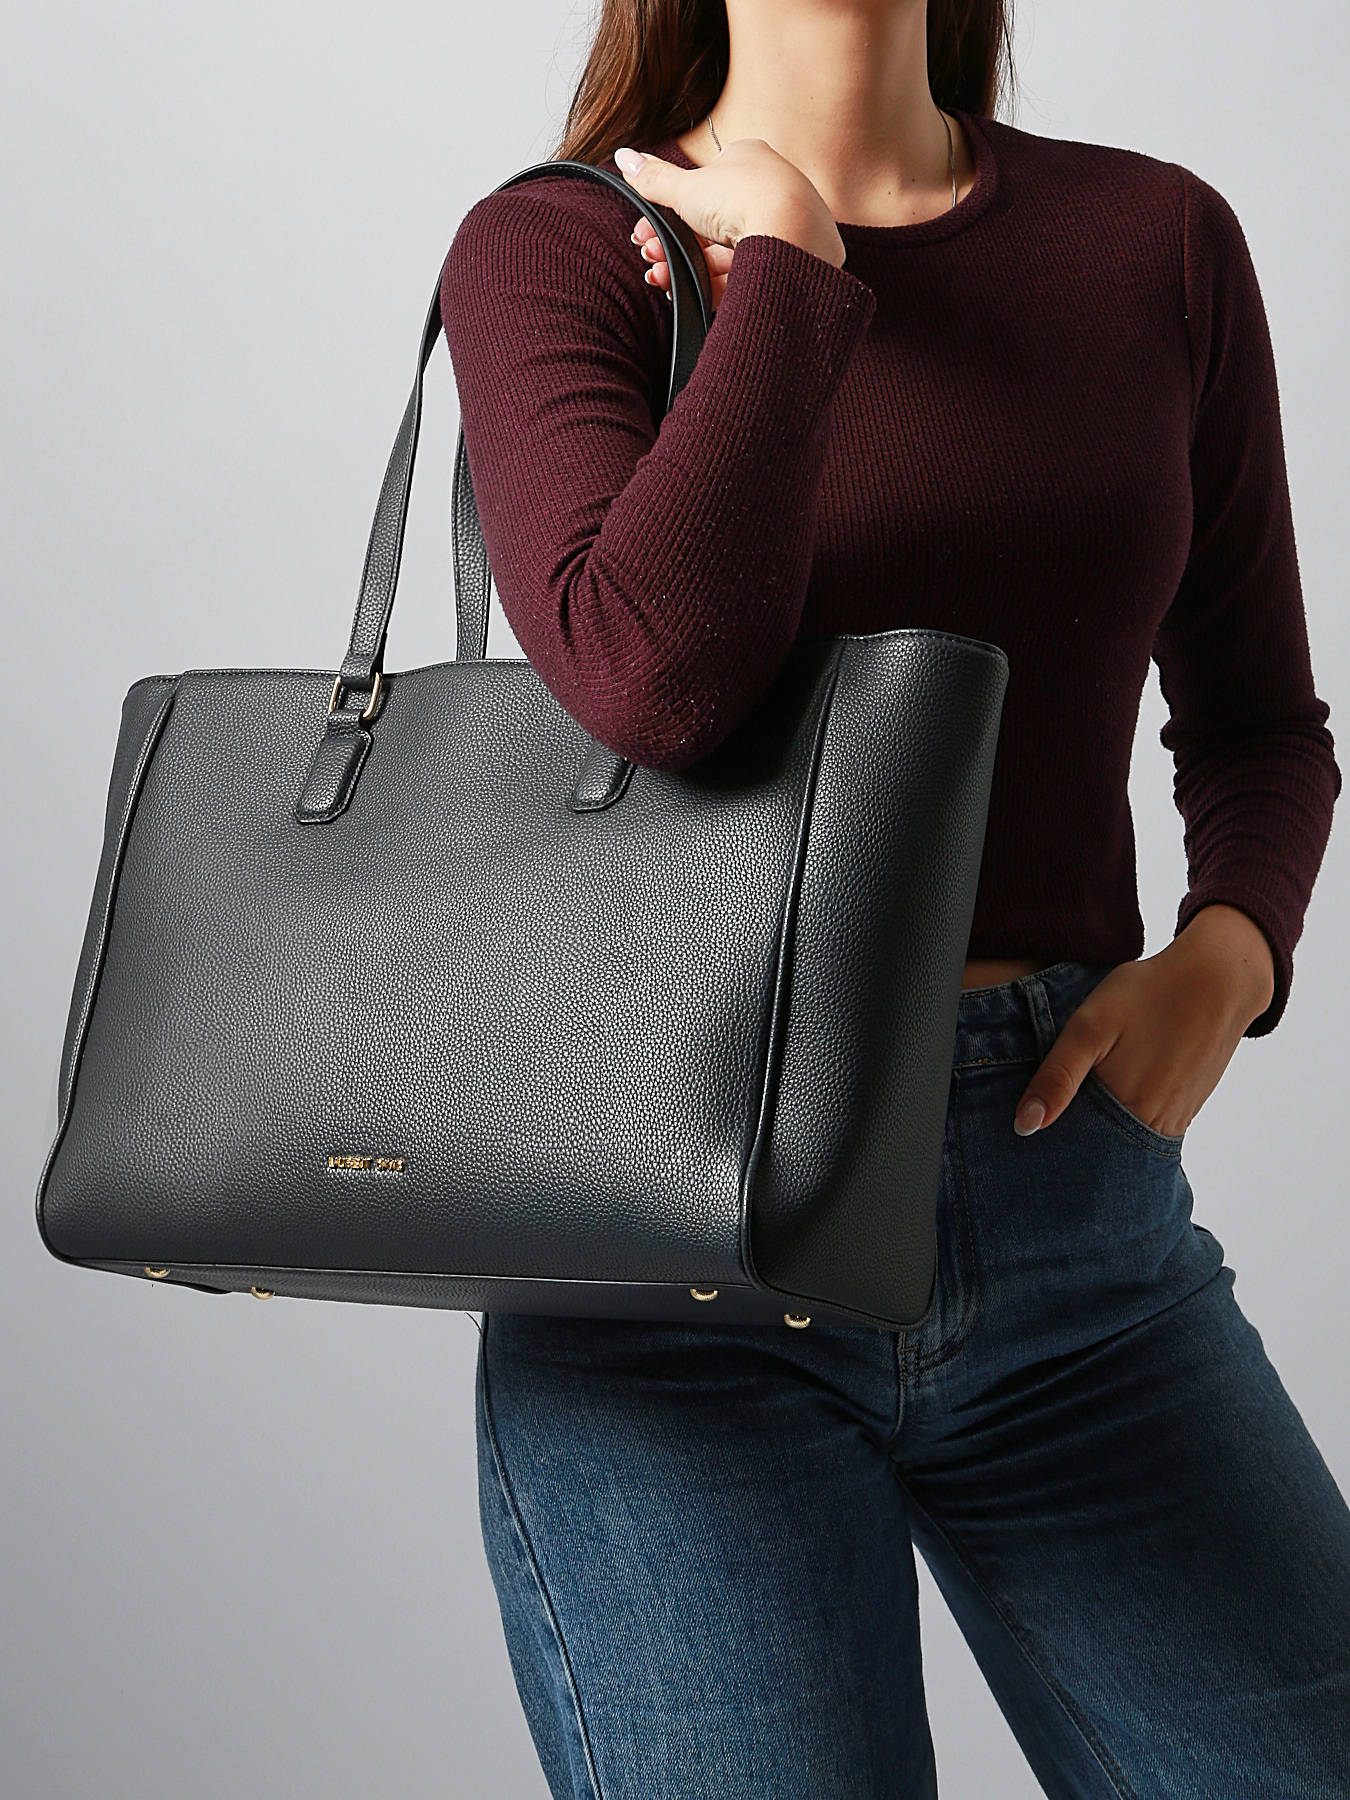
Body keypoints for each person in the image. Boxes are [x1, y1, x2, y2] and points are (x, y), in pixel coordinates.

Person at [439, 1, 1350, 1792]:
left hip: (1079, 1227)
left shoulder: (1154, 241)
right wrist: (790, 273)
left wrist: (1230, 952)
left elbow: (1259, 725)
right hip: (676, 1267)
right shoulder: (561, 247)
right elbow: (648, 679)